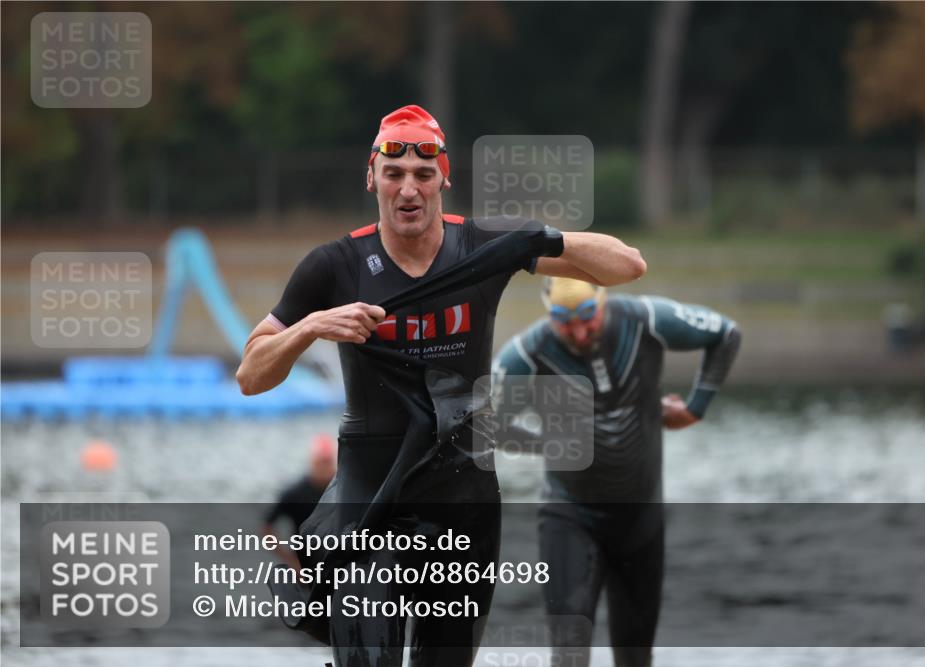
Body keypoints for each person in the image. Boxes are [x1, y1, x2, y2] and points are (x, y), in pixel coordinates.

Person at [235, 104, 646, 667]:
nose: (409, 189)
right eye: (394, 174)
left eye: (423, 175)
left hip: (464, 510)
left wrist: (539, 239)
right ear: (372, 179)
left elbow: (627, 266)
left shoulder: (482, 247)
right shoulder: (334, 266)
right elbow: (250, 376)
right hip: (370, 508)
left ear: (443, 180)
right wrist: (310, 327)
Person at [491, 277, 742, 667]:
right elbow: (482, 427)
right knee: (569, 656)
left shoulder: (645, 319)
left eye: (587, 317)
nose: (579, 332)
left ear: (602, 301)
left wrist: (695, 409)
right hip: (570, 517)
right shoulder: (527, 354)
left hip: (640, 519)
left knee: (635, 657)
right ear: (548, 313)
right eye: (564, 321)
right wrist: (548, 444)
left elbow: (726, 334)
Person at [261, 434, 338, 569]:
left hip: (337, 562)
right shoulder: (295, 493)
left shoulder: (344, 490)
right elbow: (266, 527)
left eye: (327, 463)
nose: (324, 468)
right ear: (312, 462)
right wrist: (290, 560)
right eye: (321, 463)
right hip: (303, 564)